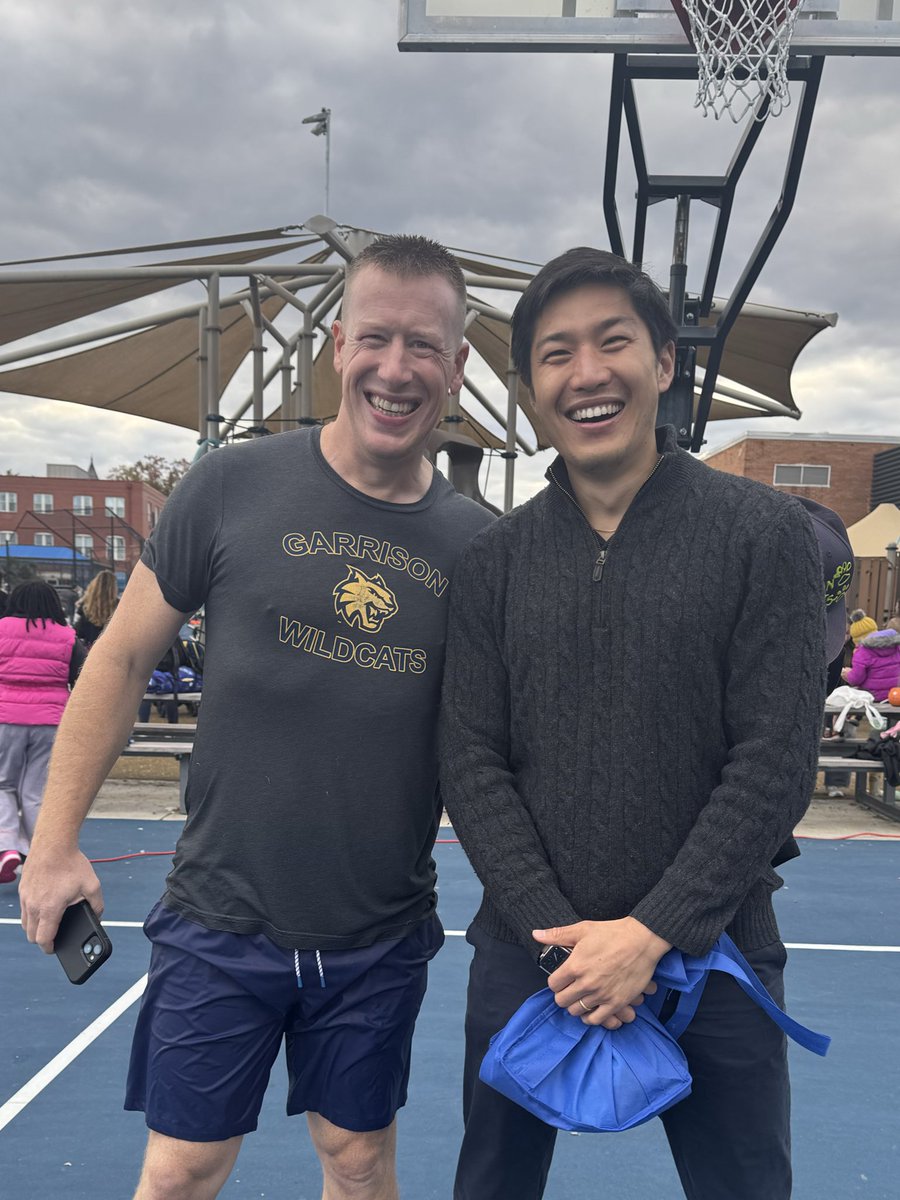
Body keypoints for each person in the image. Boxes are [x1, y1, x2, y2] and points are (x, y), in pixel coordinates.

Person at [19, 234, 493, 1200]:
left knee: (358, 1166)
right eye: (375, 338)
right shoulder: (234, 484)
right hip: (221, 919)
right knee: (185, 1170)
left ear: (459, 364)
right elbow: (119, 660)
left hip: (377, 931)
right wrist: (54, 840)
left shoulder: (479, 547)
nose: (395, 369)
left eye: (422, 346)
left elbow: (508, 739)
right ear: (336, 346)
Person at [439, 247, 826, 1200]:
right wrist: (558, 939)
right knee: (490, 1187)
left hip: (717, 949)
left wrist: (651, 932)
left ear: (662, 364)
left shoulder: (760, 534)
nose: (587, 373)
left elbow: (775, 758)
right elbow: (470, 757)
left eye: (613, 342)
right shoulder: (493, 562)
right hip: (530, 956)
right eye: (556, 355)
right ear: (533, 391)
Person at [0, 582, 86, 883]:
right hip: (50, 719)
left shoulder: (2, 629)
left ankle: (7, 845)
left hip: (5, 717)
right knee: (35, 792)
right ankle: (44, 853)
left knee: (3, 784)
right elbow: (82, 678)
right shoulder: (67, 637)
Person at [842, 624, 900, 700]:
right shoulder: (896, 648)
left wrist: (847, 674)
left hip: (871, 696)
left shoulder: (863, 652)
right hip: (894, 696)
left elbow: (856, 679)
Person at [73, 569, 119, 646]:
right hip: (112, 648)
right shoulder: (118, 606)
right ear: (113, 588)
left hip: (91, 650)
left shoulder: (86, 606)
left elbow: (78, 631)